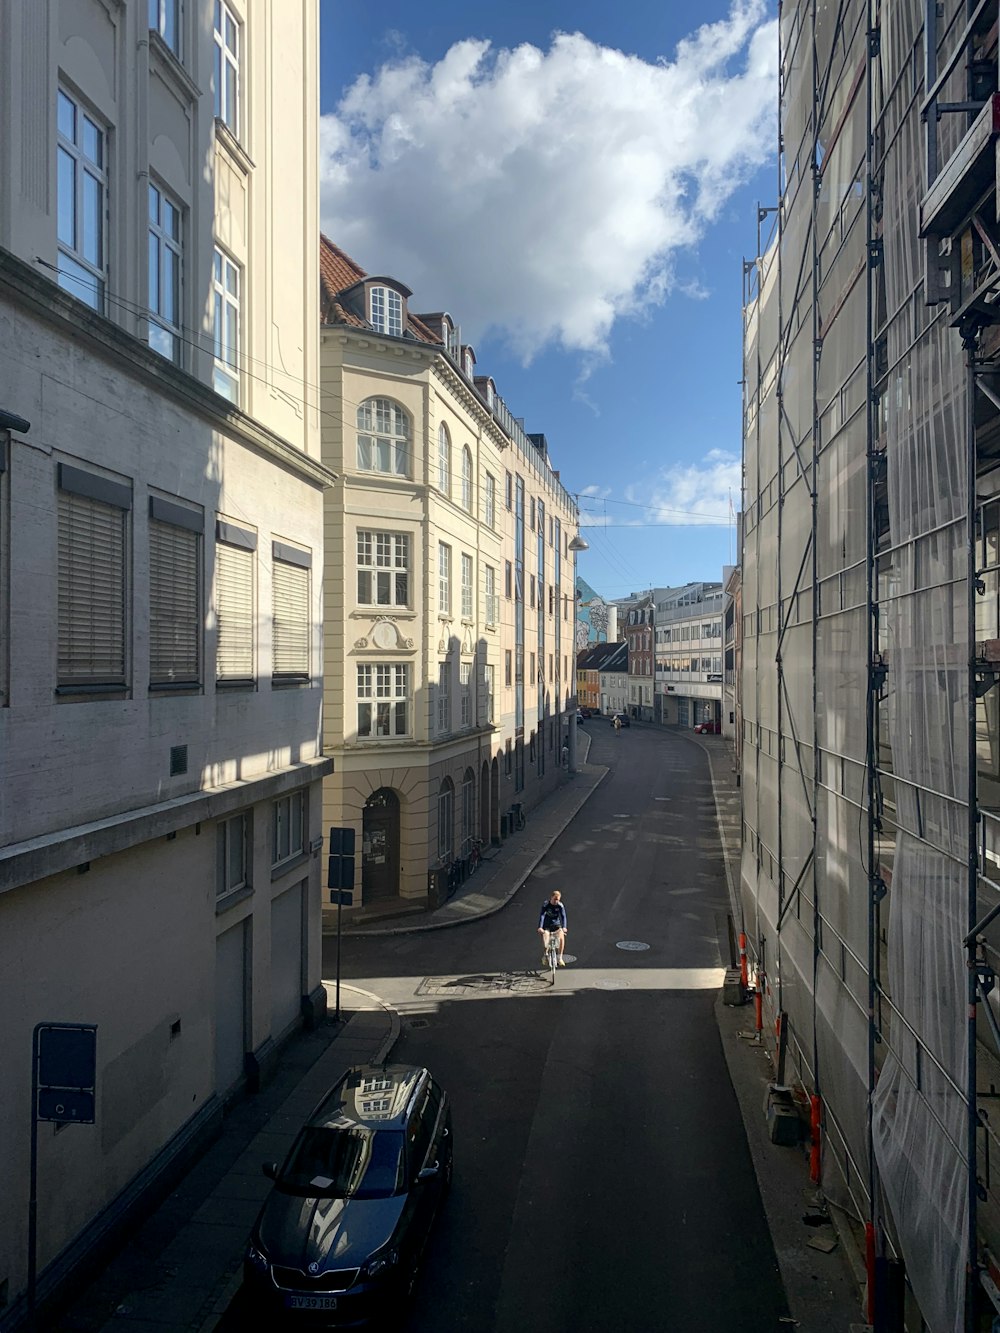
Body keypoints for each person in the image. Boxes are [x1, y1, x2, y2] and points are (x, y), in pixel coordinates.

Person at [538, 890, 567, 967]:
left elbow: (563, 916)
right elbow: (542, 915)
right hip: (547, 926)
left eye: (558, 899)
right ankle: (545, 955)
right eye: (555, 899)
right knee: (546, 942)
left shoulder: (560, 905)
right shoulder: (546, 904)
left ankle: (560, 957)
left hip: (556, 925)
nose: (556, 901)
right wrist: (540, 927)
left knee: (561, 938)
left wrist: (564, 927)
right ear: (551, 897)